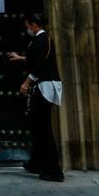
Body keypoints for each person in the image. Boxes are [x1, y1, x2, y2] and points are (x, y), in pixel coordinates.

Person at [7, 11, 64, 182]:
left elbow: (39, 65)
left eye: (27, 25)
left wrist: (26, 83)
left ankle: (54, 171)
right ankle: (36, 163)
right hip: (47, 85)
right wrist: (21, 58)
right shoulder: (43, 39)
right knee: (38, 127)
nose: (26, 29)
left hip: (44, 86)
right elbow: (37, 59)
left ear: (34, 24)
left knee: (44, 129)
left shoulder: (40, 40)